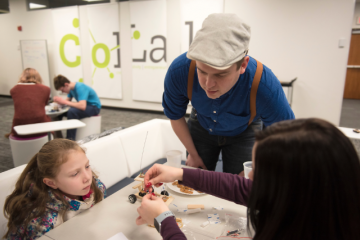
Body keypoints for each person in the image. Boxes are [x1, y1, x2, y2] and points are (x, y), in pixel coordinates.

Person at [136, 118, 360, 240]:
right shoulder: (321, 210)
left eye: (258, 171)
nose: (249, 176)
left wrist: (163, 220)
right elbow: (242, 188)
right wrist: (181, 173)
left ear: (289, 190)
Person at [162, 13, 295, 174]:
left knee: (240, 190)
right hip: (201, 124)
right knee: (194, 185)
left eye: (220, 74)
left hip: (244, 131)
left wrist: (257, 166)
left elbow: (284, 133)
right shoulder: (180, 71)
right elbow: (175, 115)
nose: (208, 84)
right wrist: (193, 154)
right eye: (202, 71)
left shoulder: (264, 85)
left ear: (243, 65)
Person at [3, 139, 107, 240]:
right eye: (75, 174)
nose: (88, 177)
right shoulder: (41, 222)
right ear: (51, 183)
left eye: (87, 166)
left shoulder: (96, 187)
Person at [53, 75, 101, 140]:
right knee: (59, 112)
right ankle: (58, 138)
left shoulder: (80, 87)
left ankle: (70, 140)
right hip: (86, 106)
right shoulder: (71, 89)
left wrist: (64, 102)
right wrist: (58, 102)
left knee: (72, 112)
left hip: (94, 107)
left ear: (66, 84)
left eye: (62, 90)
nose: (62, 92)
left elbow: (82, 106)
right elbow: (66, 102)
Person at [7, 68, 51, 138]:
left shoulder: (13, 89)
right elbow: (43, 105)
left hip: (18, 125)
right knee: (49, 120)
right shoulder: (46, 89)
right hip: (41, 123)